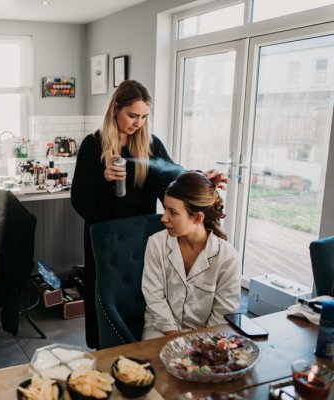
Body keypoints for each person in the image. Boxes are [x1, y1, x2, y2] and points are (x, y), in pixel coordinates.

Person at [71, 80, 228, 349]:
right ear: (115, 109)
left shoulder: (151, 144)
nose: (138, 123)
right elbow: (80, 201)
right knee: (108, 300)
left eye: (144, 117)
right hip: (105, 239)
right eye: (133, 115)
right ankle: (105, 350)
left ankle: (144, 348)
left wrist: (201, 179)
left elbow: (171, 180)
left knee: (143, 295)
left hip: (142, 236)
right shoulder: (92, 145)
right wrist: (103, 179)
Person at [142, 171, 241, 339]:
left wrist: (199, 347)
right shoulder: (156, 243)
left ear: (197, 218)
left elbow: (222, 316)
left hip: (205, 338)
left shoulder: (228, 258)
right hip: (160, 331)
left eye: (172, 212)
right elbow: (154, 298)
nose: (164, 218)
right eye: (165, 209)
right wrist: (176, 337)